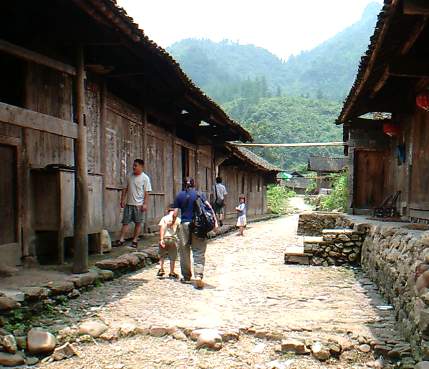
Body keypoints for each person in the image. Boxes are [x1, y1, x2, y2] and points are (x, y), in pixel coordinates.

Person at [174, 178, 218, 289]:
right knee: (198, 251)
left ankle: (186, 276)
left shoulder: (179, 196)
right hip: (198, 225)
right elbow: (209, 207)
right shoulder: (199, 194)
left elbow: (175, 213)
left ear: (184, 185)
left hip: (184, 225)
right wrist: (215, 222)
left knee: (184, 252)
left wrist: (173, 223)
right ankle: (198, 275)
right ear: (194, 184)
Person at [116, 159, 152, 248]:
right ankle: (121, 239)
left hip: (139, 205)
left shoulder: (145, 178)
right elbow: (125, 188)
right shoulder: (129, 176)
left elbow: (147, 192)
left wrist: (145, 204)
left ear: (141, 167)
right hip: (129, 203)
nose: (134, 167)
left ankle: (135, 240)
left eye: (136, 165)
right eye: (133, 165)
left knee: (138, 223)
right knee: (125, 222)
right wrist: (122, 200)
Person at [157, 206, 180, 279]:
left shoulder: (164, 218)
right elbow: (179, 231)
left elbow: (162, 229)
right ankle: (171, 272)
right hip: (173, 239)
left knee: (162, 255)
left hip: (165, 238)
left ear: (168, 211)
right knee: (172, 257)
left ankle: (161, 269)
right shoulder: (178, 219)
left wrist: (161, 239)